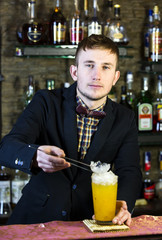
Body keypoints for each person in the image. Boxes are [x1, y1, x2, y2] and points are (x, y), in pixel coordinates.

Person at [0, 34, 142, 226]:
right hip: (35, 219)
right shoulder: (45, 102)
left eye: (106, 67)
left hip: (91, 222)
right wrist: (34, 156)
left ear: (115, 77)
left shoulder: (125, 118)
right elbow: (6, 147)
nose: (97, 75)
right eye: (89, 65)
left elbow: (129, 171)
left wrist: (123, 204)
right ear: (74, 72)